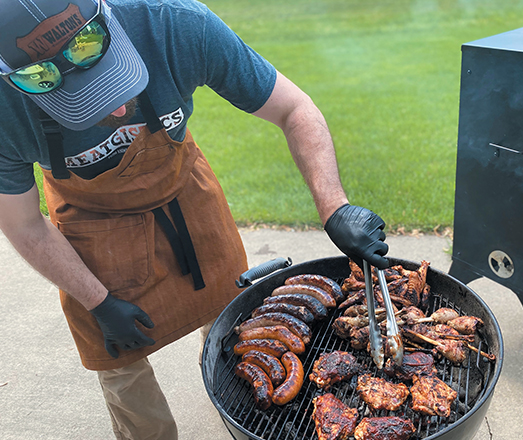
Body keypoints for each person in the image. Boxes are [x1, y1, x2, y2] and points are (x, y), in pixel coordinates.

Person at [0, 0, 389, 438]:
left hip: (186, 198)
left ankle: (240, 416)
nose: (110, 111)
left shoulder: (175, 26)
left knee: (235, 323)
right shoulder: (3, 110)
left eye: (112, 80)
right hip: (93, 226)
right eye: (78, 100)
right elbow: (23, 224)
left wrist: (335, 207)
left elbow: (293, 109)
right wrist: (98, 301)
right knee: (120, 366)